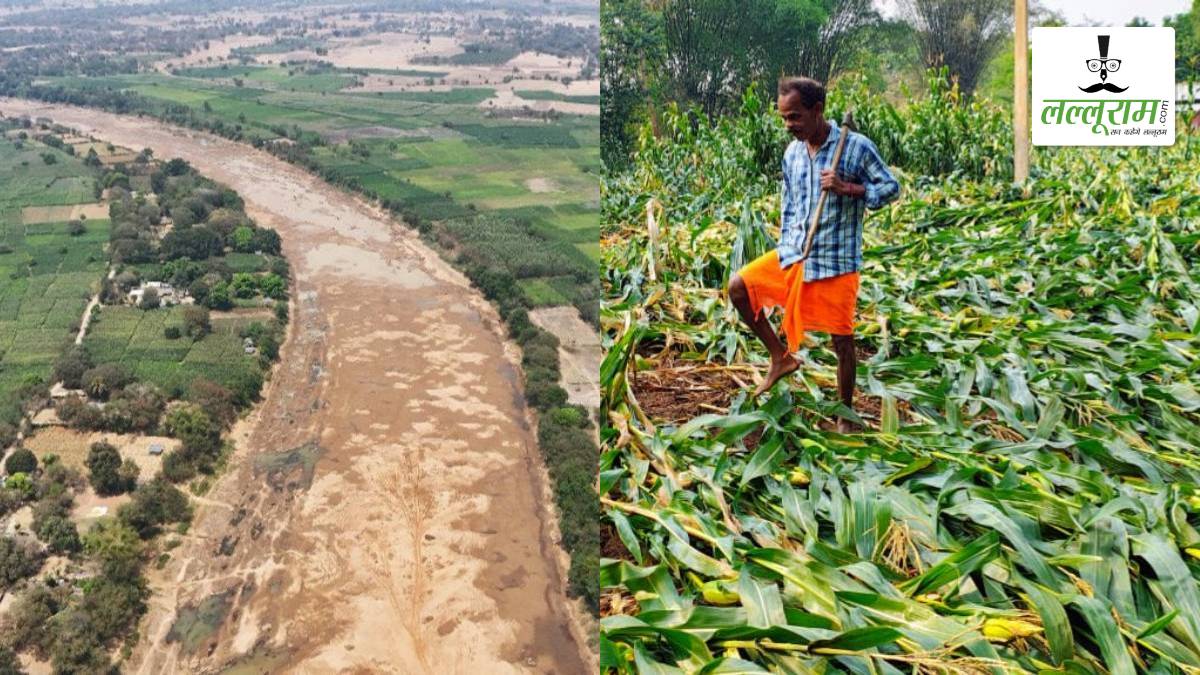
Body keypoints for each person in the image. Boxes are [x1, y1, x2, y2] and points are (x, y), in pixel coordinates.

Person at [727, 76, 900, 432]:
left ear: (817, 110)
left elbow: (890, 188)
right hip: (794, 253)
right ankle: (780, 356)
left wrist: (847, 187)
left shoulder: (855, 148)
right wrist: (788, 244)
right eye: (784, 118)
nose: (789, 125)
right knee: (738, 287)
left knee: (842, 340)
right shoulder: (792, 153)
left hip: (835, 259)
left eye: (795, 117)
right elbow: (789, 203)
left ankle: (845, 415)